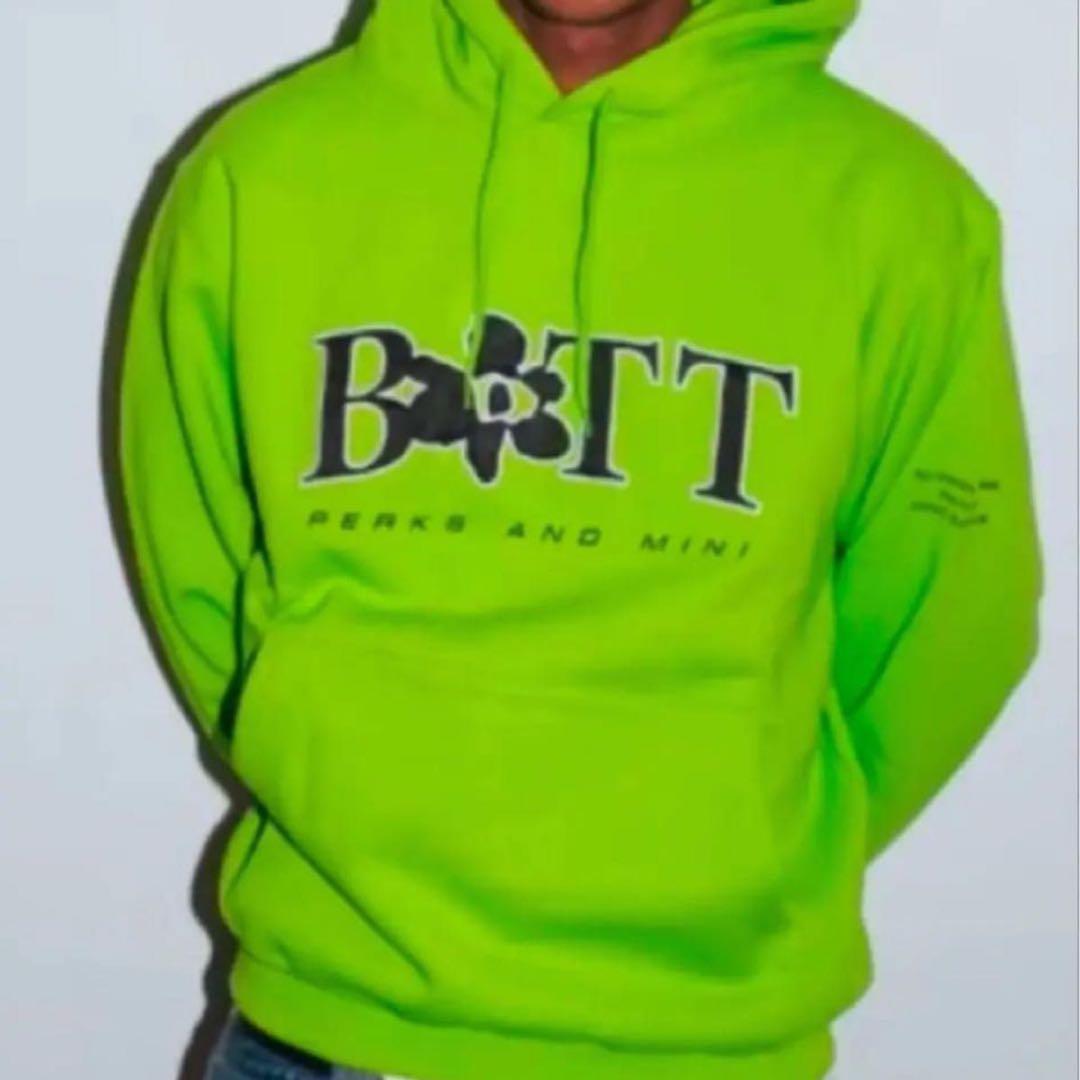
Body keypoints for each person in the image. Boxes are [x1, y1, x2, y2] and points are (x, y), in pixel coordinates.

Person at [115, 0, 1045, 1076]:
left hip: (701, 1042)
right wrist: (329, 757)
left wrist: (741, 836)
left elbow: (948, 612)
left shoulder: (893, 207)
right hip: (322, 1028)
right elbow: (197, 561)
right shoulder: (265, 171)